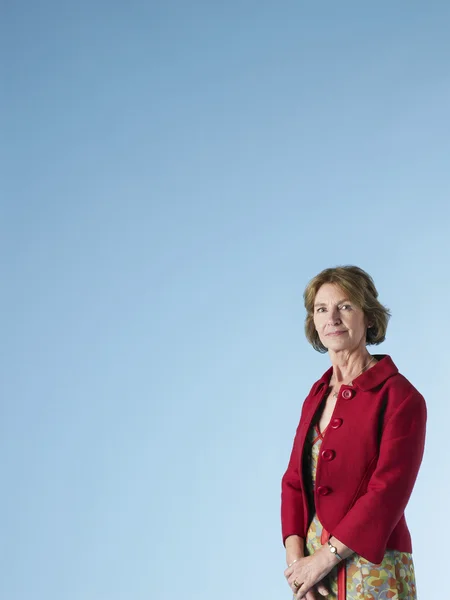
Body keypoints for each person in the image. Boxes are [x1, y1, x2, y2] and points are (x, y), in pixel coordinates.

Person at [281, 266, 426, 600]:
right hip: (314, 574)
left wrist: (324, 557)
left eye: (345, 306)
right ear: (313, 323)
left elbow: (387, 493)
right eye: (321, 309)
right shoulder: (316, 394)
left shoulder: (401, 398)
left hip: (373, 564)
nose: (331, 317)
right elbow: (293, 481)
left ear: (369, 318)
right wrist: (297, 563)